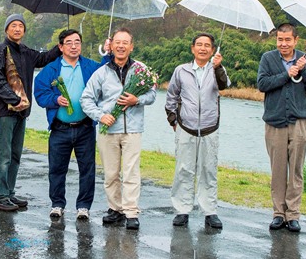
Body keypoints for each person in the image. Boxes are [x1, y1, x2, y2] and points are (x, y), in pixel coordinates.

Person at [80, 27, 157, 230]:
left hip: (133, 130)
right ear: (111, 45)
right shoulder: (101, 73)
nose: (121, 46)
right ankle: (115, 209)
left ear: (131, 46)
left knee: (131, 172)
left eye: (125, 43)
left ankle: (131, 212)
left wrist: (136, 99)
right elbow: (86, 99)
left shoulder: (141, 70)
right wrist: (100, 116)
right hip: (108, 130)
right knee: (111, 173)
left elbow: (152, 95)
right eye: (118, 42)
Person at [34, 29, 109, 220]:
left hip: (85, 127)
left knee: (87, 168)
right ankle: (57, 204)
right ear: (60, 47)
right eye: (69, 42)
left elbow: (106, 75)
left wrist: (108, 54)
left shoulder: (90, 66)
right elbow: (40, 93)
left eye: (77, 42)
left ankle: (83, 206)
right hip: (60, 127)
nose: (74, 46)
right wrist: (55, 99)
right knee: (57, 168)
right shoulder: (51, 69)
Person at [0, 13, 61, 211]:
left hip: (22, 112)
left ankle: (10, 192)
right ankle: (0, 196)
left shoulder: (25, 51)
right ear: (6, 29)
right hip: (5, 110)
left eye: (20, 26)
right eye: (13, 25)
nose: (17, 29)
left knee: (15, 154)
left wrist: (61, 43)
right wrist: (13, 99)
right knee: (3, 154)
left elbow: (44, 58)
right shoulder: (1, 50)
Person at [257, 23, 306, 232]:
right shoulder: (268, 59)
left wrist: (303, 71)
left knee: (296, 170)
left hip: (300, 121)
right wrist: (287, 74)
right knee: (277, 170)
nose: (283, 44)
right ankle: (278, 213)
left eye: (287, 40)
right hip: (274, 121)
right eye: (280, 40)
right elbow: (262, 85)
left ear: (295, 40)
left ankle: (293, 215)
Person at [165, 32, 230, 229]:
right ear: (192, 48)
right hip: (186, 127)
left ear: (212, 50)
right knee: (183, 169)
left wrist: (218, 67)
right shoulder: (181, 70)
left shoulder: (217, 69)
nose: (203, 48)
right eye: (199, 44)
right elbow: (171, 95)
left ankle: (210, 211)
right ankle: (182, 210)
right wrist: (173, 119)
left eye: (207, 45)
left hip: (210, 127)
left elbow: (224, 86)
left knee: (208, 170)